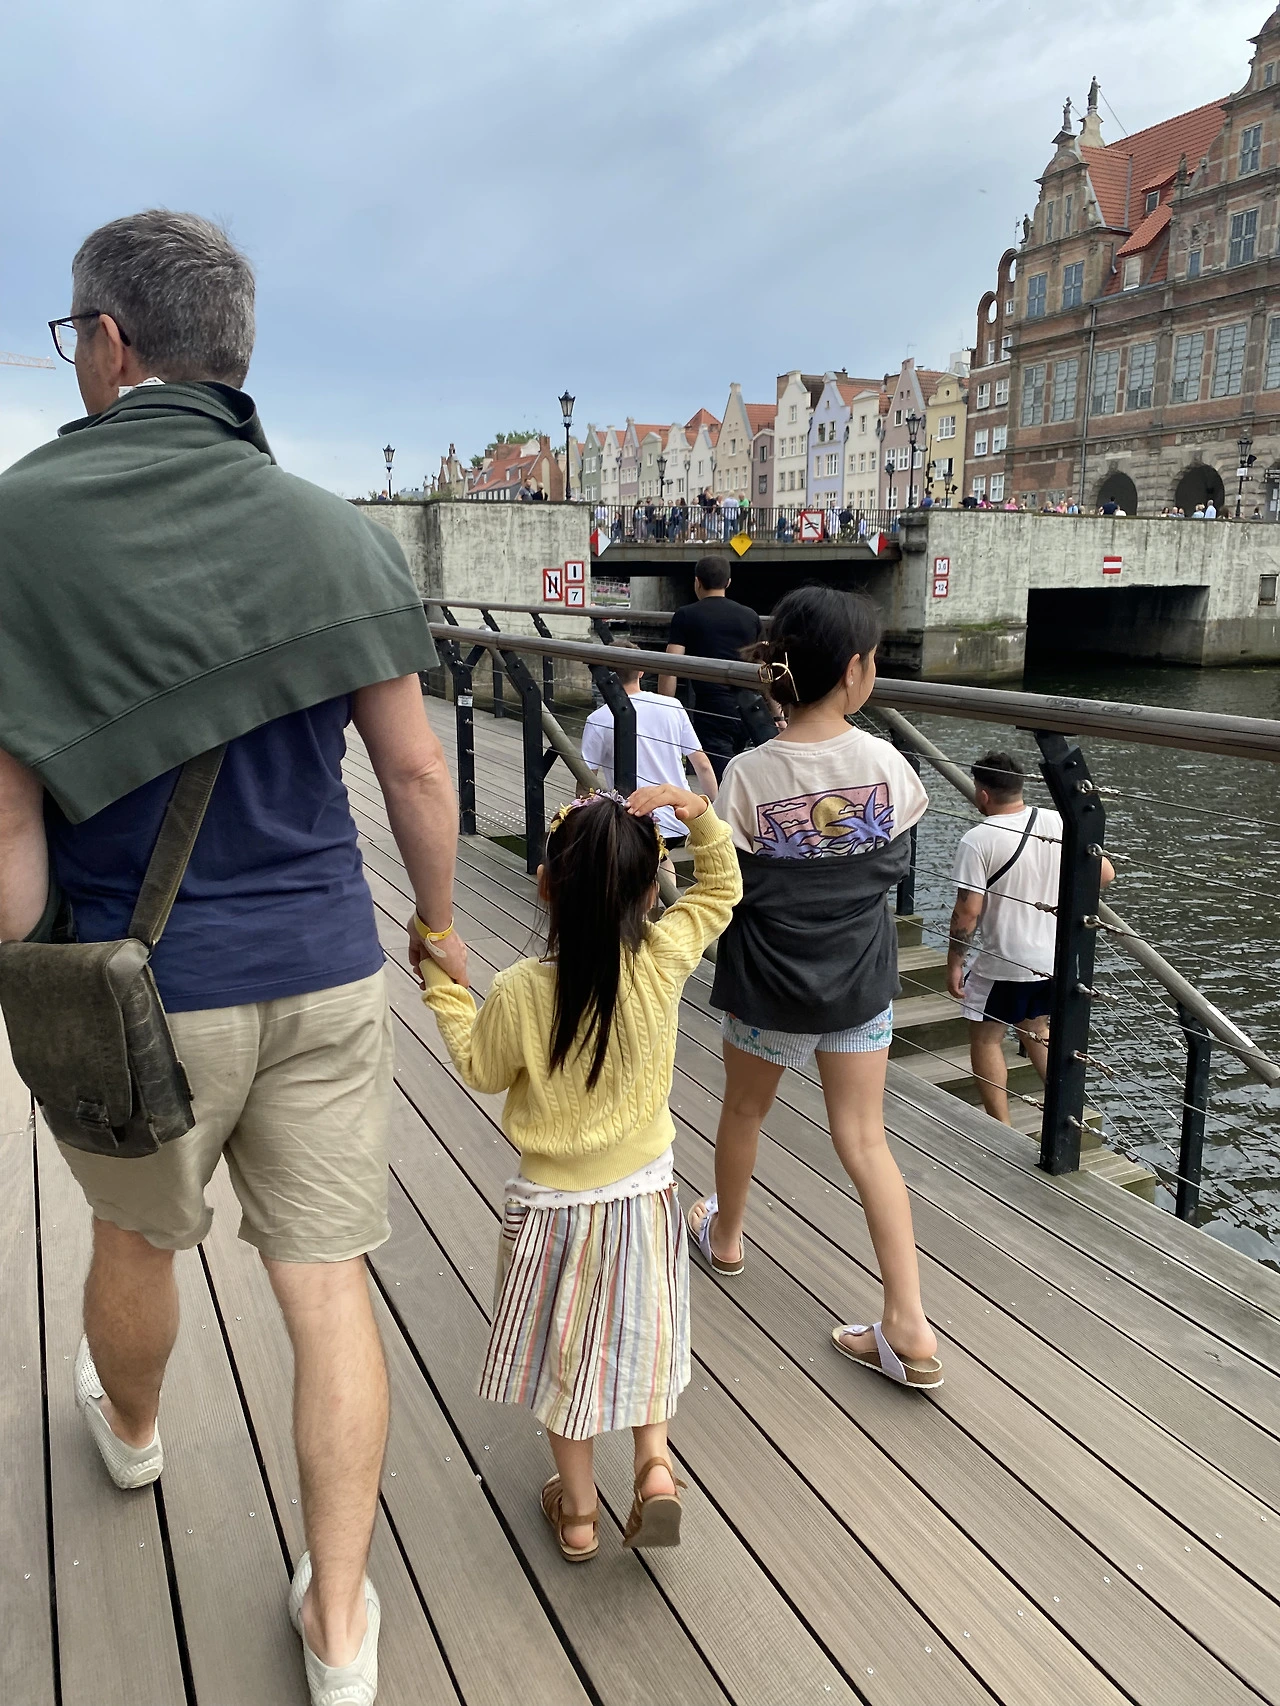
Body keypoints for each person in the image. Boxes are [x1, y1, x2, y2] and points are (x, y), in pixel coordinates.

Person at [0, 211, 463, 1706]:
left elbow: (7, 825)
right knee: (327, 1284)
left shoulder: (19, 527)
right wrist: (437, 922)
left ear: (111, 341)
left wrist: (30, 966)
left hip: (144, 993)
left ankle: (132, 1436)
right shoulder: (335, 532)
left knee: (137, 1239)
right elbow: (416, 777)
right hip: (325, 967)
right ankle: (339, 1621)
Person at [420, 784, 741, 1561]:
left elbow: (481, 1067)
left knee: (565, 1361)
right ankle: (655, 1468)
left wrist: (443, 983)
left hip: (553, 1211)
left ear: (544, 888)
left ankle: (580, 1514)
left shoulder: (521, 991)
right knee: (646, 1334)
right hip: (646, 1198)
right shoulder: (662, 961)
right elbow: (720, 890)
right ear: (649, 892)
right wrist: (697, 812)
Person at [688, 587, 943, 1390]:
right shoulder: (887, 764)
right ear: (857, 671)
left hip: (770, 984)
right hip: (859, 979)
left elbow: (726, 878)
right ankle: (909, 1324)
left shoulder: (748, 774)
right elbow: (892, 854)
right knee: (865, 1140)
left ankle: (726, 1237)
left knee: (744, 1111)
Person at [946, 751, 1113, 1125]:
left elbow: (968, 912)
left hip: (1004, 959)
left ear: (982, 793)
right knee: (1037, 1029)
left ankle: (1001, 1127)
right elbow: (1104, 874)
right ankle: (1065, 1117)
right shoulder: (1057, 821)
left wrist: (955, 961)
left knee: (986, 1038)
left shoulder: (978, 839)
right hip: (1053, 956)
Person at [581, 642, 718, 862]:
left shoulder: (598, 719)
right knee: (662, 862)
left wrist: (582, 821)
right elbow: (702, 764)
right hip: (680, 816)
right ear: (641, 671)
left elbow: (586, 779)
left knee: (645, 864)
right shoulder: (672, 706)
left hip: (635, 820)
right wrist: (714, 813)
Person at [657, 557, 762, 781]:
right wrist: (777, 713)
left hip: (711, 710)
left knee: (720, 776)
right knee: (743, 770)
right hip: (748, 708)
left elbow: (670, 665)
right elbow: (763, 666)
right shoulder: (750, 616)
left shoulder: (686, 615)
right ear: (728, 582)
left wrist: (664, 707)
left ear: (697, 582)